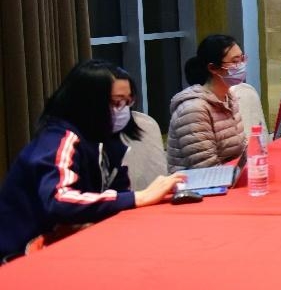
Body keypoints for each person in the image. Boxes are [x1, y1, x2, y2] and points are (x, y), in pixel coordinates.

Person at [0, 61, 183, 260]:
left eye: (128, 102)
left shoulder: (107, 140)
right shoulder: (59, 140)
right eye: (117, 102)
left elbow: (116, 193)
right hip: (24, 254)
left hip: (72, 244)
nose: (123, 111)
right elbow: (60, 201)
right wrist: (139, 197)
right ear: (89, 102)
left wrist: (137, 199)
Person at [167, 35, 247, 173]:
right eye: (235, 61)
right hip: (199, 182)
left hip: (230, 175)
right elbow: (207, 170)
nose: (241, 66)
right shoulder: (193, 110)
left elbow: (241, 151)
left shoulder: (229, 98)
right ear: (213, 68)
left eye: (242, 59)